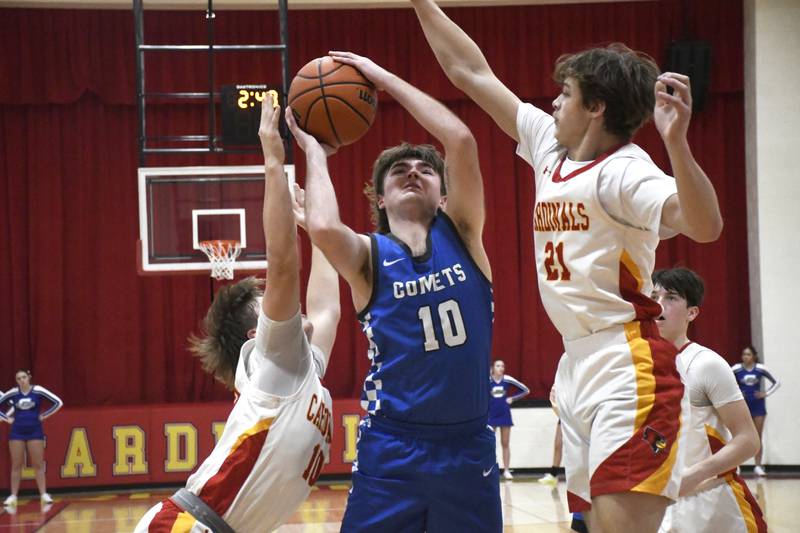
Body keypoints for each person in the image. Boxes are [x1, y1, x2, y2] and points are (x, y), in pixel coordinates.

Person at [410, 2, 724, 530]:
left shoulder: (624, 172)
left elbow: (705, 225)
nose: (553, 102)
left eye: (566, 94)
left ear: (596, 107)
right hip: (576, 363)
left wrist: (677, 143)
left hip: (628, 365)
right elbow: (470, 71)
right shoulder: (549, 146)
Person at [286, 51, 501, 532]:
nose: (412, 171)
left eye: (425, 170)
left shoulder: (463, 235)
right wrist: (316, 152)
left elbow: (461, 140)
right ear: (380, 199)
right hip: (392, 446)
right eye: (398, 170)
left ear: (443, 197)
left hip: (467, 447)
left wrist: (383, 78)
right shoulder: (369, 259)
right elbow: (321, 225)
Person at [134, 99, 340, 532]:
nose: (286, 308)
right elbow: (284, 267)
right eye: (269, 309)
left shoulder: (300, 374)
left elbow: (327, 309)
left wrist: (315, 231)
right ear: (256, 334)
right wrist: (273, 160)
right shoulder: (273, 365)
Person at [652, 268, 766, 532]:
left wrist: (692, 476)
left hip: (711, 503)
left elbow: (748, 440)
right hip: (658, 507)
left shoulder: (707, 364)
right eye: (653, 295)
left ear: (692, 312)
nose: (658, 304)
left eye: (670, 297)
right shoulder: (637, 365)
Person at [0, 369, 63, 506]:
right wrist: (6, 418)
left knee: (38, 463)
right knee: (16, 464)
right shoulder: (13, 392)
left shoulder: (38, 390)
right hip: (17, 431)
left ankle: (43, 494)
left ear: (29, 378)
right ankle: (13, 496)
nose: (22, 380)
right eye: (18, 378)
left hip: (35, 431)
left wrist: (44, 416)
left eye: (24, 377)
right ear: (16, 381)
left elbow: (58, 402)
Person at [732, 345, 780, 477]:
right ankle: (737, 465)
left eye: (748, 354)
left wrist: (766, 393)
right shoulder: (736, 369)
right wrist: (737, 392)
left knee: (757, 436)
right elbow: (726, 381)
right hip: (742, 406)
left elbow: (777, 383)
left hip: (758, 406)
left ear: (754, 356)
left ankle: (758, 466)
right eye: (744, 354)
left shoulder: (761, 369)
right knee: (739, 437)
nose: (745, 357)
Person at [488, 359, 530, 480]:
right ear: (492, 368)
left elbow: (526, 390)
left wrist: (513, 398)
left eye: (502, 366)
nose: (501, 368)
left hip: (504, 414)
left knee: (505, 443)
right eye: (498, 366)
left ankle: (506, 470)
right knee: (490, 444)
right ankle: (490, 469)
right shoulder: (487, 380)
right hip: (491, 415)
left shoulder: (507, 379)